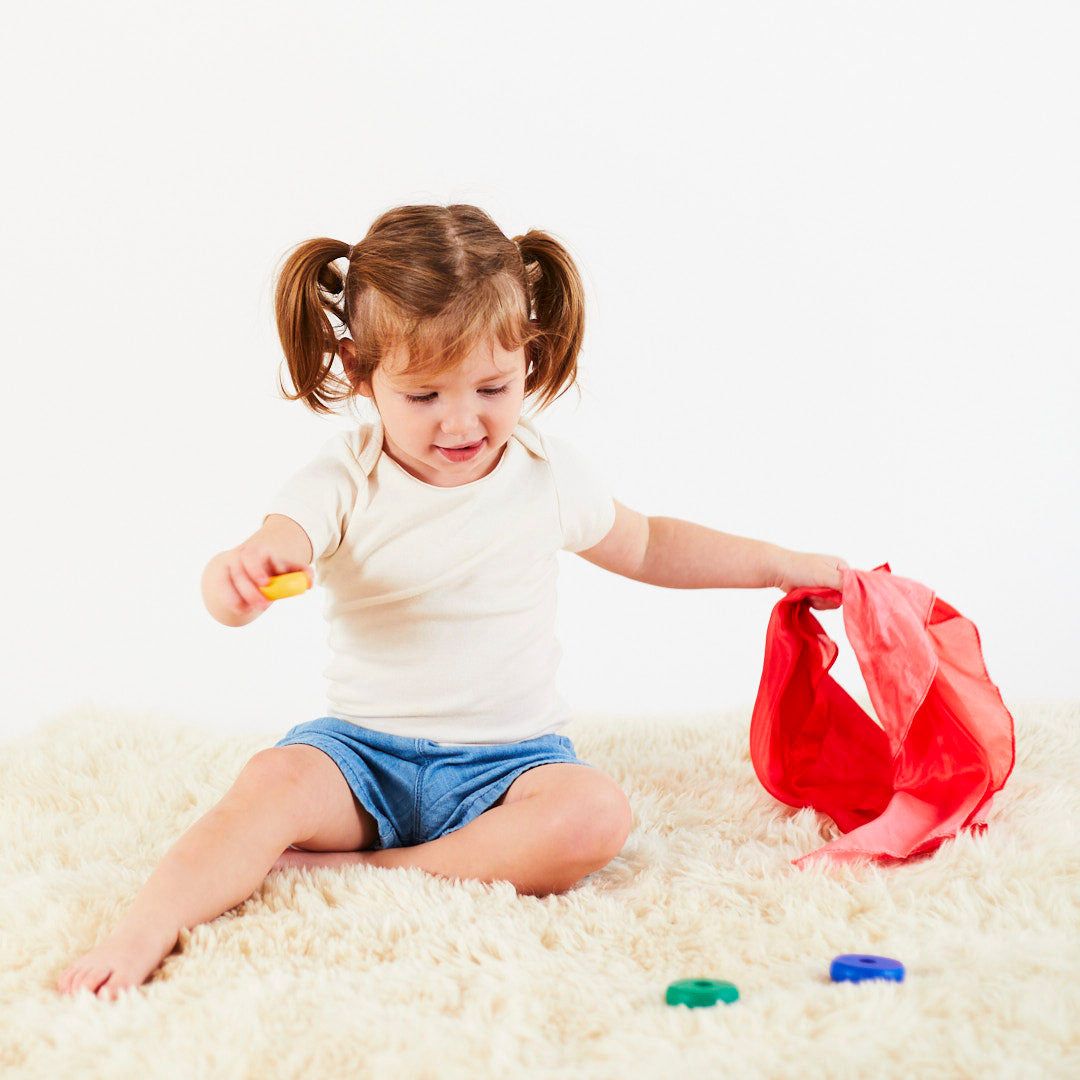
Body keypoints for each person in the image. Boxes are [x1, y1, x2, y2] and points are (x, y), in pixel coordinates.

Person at [57, 203, 848, 999]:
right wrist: (237, 579)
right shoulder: (346, 477)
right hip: (361, 758)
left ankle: (375, 871)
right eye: (424, 395)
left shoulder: (545, 473)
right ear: (360, 373)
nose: (462, 420)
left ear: (529, 361)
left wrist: (780, 565)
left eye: (492, 386)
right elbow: (276, 545)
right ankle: (141, 933)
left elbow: (649, 544)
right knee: (267, 783)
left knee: (595, 814)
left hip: (510, 767)